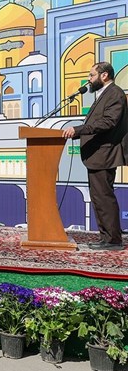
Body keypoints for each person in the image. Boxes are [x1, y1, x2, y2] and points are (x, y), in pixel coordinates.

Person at [62, 61, 127, 250]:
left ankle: (113, 240)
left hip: (105, 154)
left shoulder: (115, 94)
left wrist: (78, 130)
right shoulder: (104, 94)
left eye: (91, 75)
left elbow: (108, 122)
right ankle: (106, 238)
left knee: (104, 197)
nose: (89, 80)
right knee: (99, 197)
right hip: (98, 155)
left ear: (104, 75)